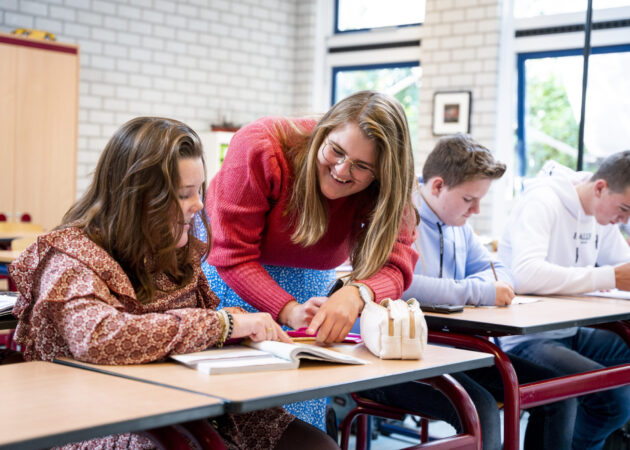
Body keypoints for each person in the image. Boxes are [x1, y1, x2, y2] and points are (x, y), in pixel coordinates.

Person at [9, 117, 337, 450]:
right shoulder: (70, 255)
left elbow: (192, 333)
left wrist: (245, 332)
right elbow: (99, 336)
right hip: (99, 417)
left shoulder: (174, 252)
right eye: (183, 195)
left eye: (198, 191)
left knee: (314, 445)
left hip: (184, 406)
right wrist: (223, 324)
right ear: (135, 198)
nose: (198, 205)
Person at [203, 90, 419, 428]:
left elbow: (397, 261)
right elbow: (231, 255)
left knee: (296, 418)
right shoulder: (261, 145)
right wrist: (287, 309)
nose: (342, 170)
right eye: (335, 150)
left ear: (382, 174)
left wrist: (355, 293)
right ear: (324, 130)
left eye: (362, 167)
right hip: (231, 283)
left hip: (311, 294)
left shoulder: (391, 186)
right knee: (233, 413)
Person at [359, 134, 576, 450]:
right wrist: (480, 292)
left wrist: (484, 287)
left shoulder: (460, 225)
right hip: (394, 357)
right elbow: (402, 285)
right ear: (437, 186)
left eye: (480, 200)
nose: (475, 210)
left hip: (453, 350)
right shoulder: (398, 217)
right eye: (468, 199)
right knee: (481, 408)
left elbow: (499, 271)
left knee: (558, 393)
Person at [498, 152, 630, 450]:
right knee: (613, 401)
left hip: (569, 332)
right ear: (600, 188)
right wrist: (606, 277)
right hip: (526, 338)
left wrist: (613, 276)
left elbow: (624, 267)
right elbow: (525, 274)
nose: (624, 221)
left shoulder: (603, 216)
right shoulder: (543, 201)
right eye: (623, 209)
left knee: (614, 397)